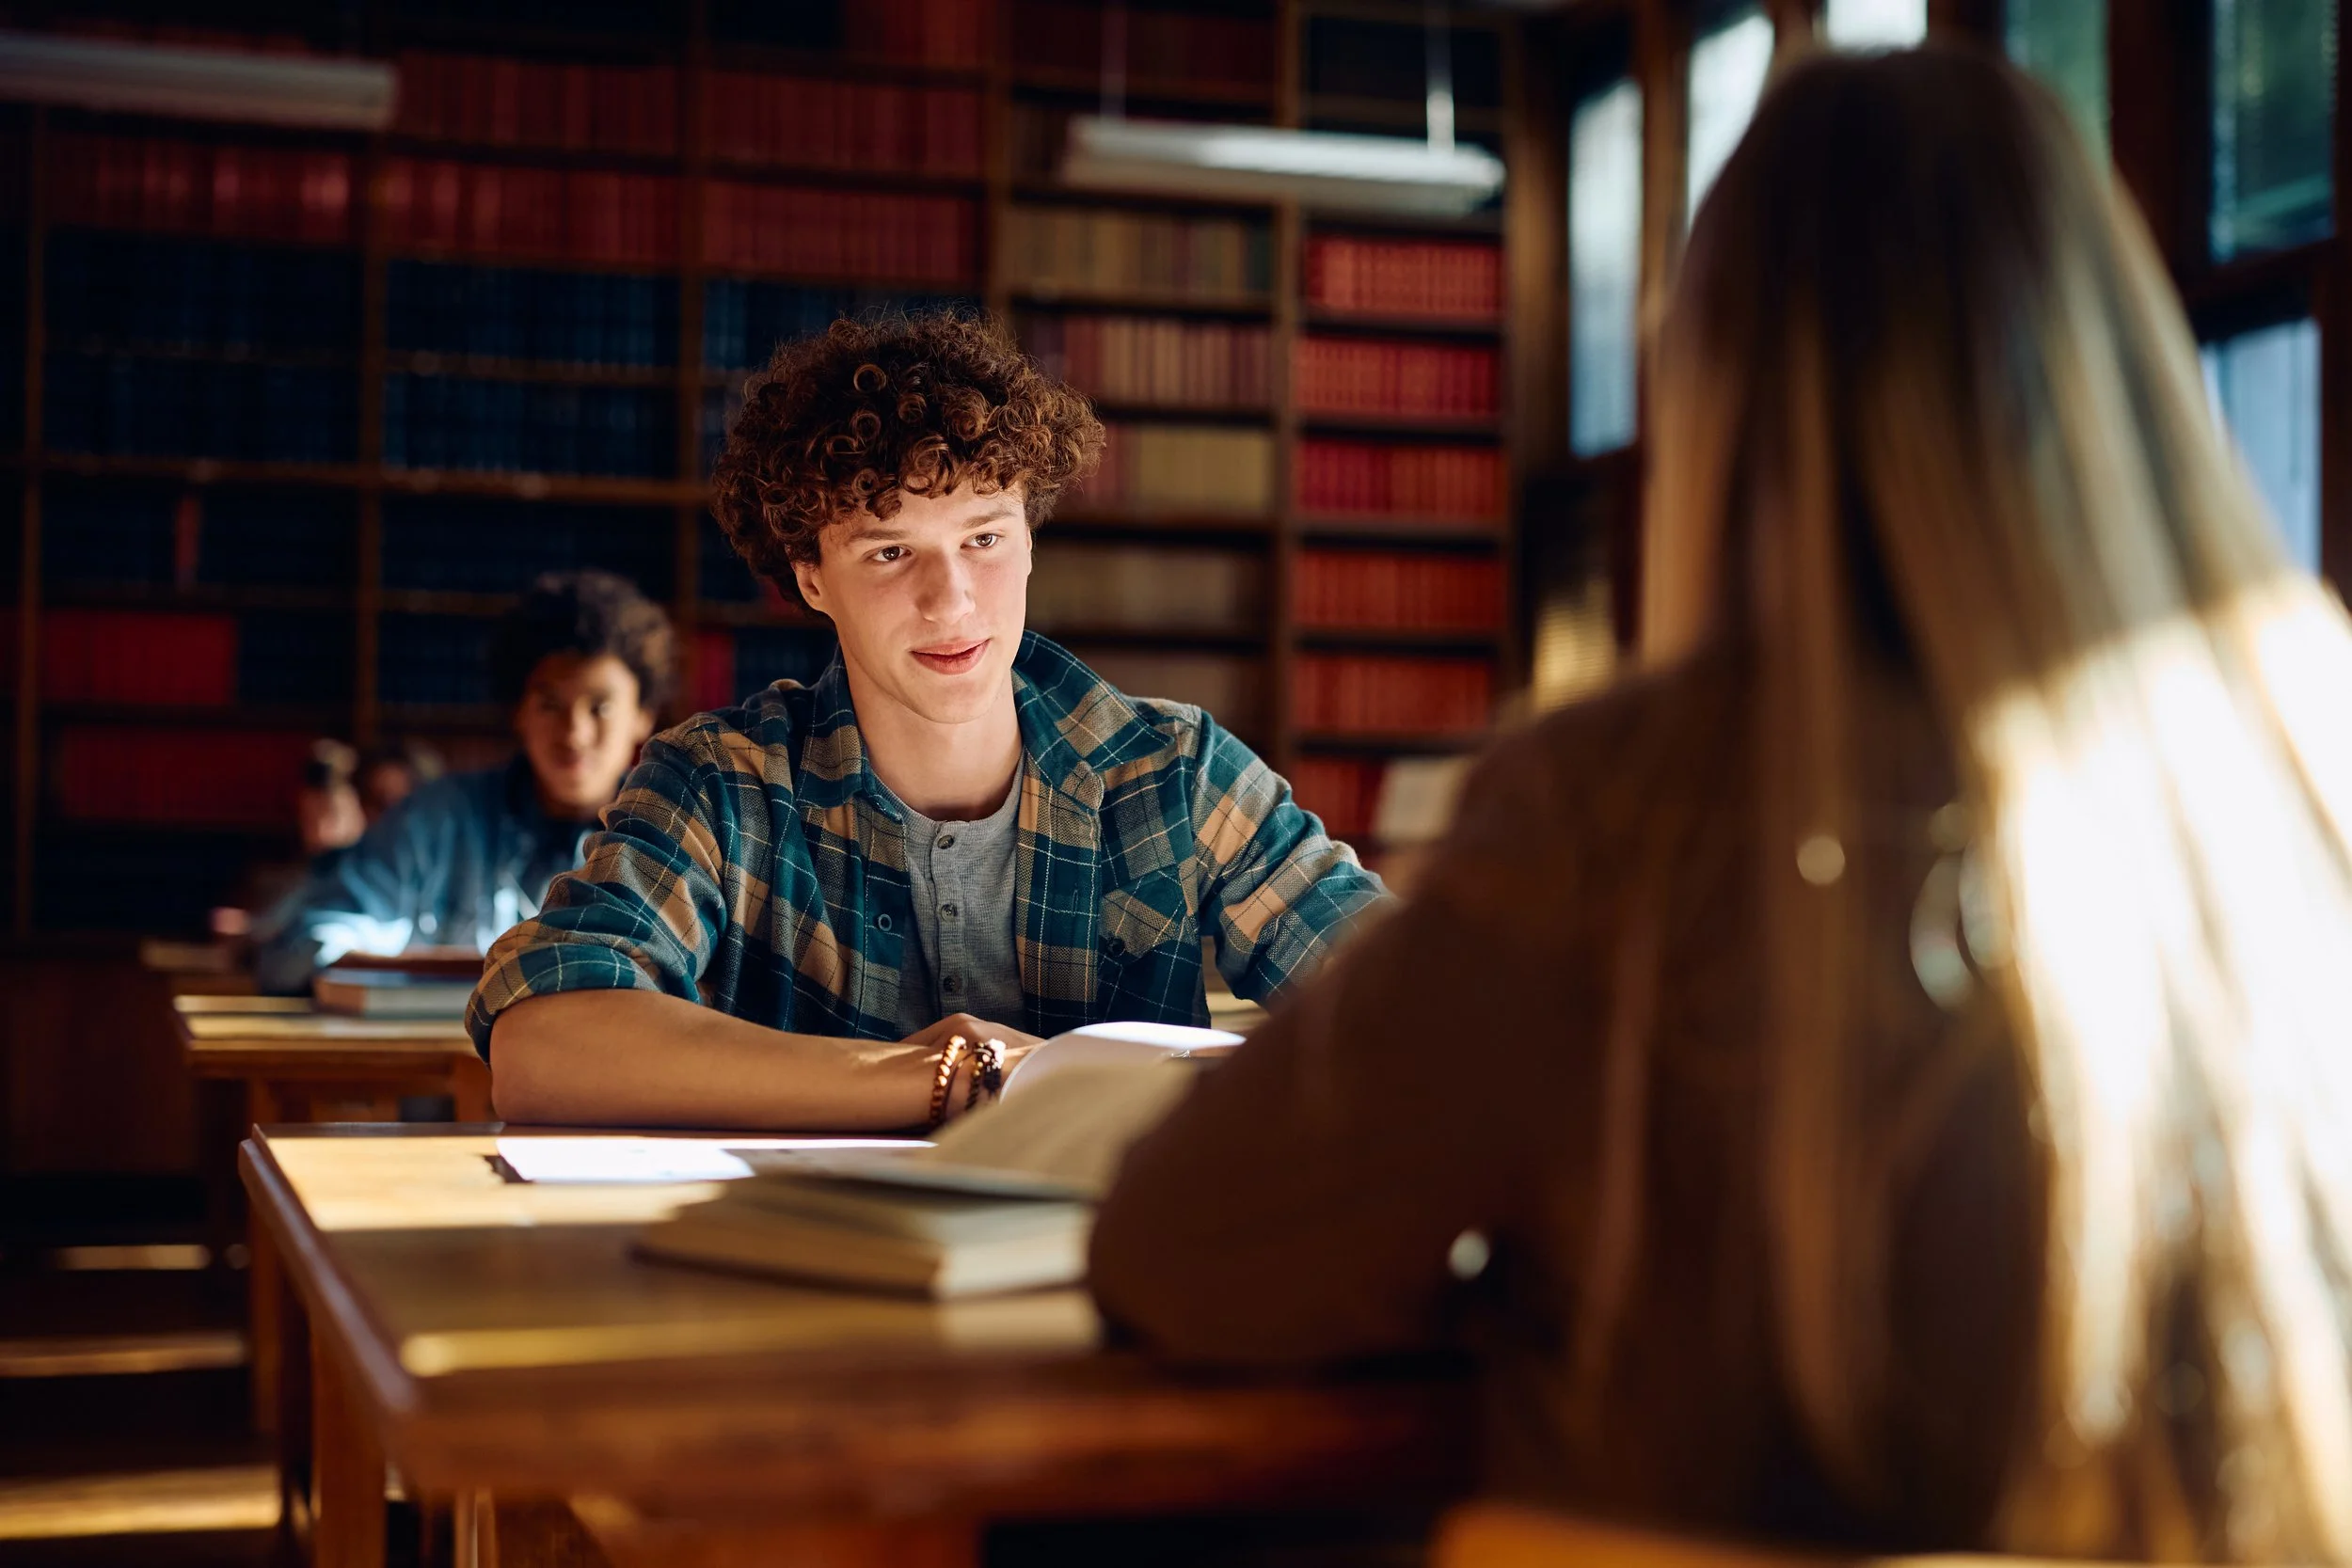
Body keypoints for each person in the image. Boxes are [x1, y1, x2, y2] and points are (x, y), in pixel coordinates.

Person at [1091, 48, 2352, 1560]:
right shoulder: (2301, 760)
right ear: (2118, 355)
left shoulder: (1626, 808)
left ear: (1722, 401)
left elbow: (1187, 1252)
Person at [475, 313, 1385, 1129]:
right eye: (890, 550)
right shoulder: (718, 783)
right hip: (785, 1287)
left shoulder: (1177, 773)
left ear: (1030, 538)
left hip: (1120, 1289)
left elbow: (1420, 1010)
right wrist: (940, 1079)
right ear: (811, 578)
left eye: (983, 538)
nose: (951, 602)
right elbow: (541, 1045)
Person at [254, 571, 675, 992]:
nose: (574, 734)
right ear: (518, 711)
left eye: (599, 707)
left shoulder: (673, 842)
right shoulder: (434, 821)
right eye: (550, 704)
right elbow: (315, 937)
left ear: (643, 716)